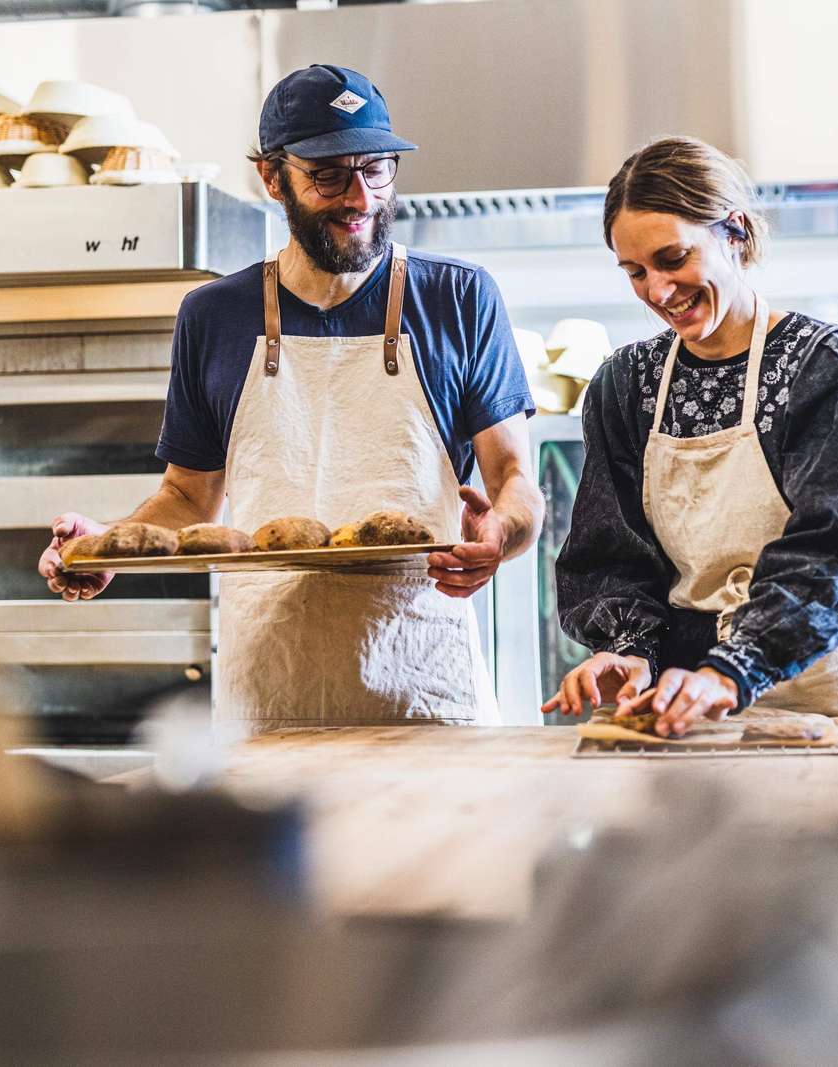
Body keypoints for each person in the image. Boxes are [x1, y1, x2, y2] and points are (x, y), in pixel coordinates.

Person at [39, 64, 541, 730]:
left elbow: (515, 480)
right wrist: (108, 546)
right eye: (328, 175)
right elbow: (188, 497)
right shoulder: (213, 315)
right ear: (272, 177)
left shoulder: (459, 297)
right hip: (269, 699)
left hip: (426, 691)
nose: (360, 197)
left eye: (377, 168)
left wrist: (499, 534)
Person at [543, 136, 838, 736]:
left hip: (817, 693)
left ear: (734, 232)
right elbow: (610, 554)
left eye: (673, 258)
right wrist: (629, 650)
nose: (657, 291)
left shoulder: (823, 363)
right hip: (682, 702)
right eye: (635, 272)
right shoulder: (626, 384)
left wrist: (734, 668)